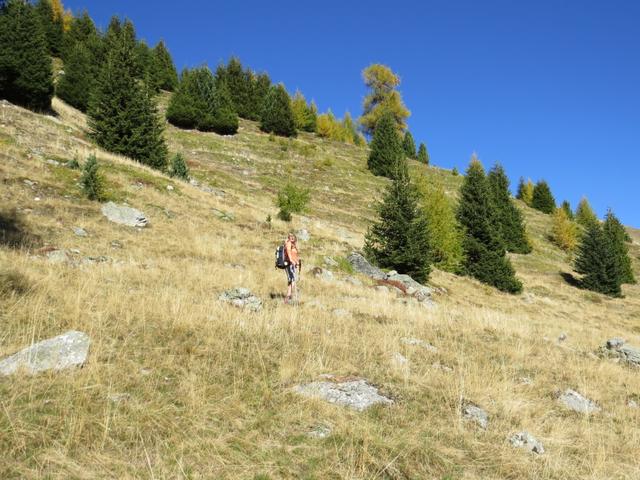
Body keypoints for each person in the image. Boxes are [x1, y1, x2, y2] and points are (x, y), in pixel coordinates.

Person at [284, 233, 301, 303]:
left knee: (292, 280)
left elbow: (295, 255)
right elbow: (288, 251)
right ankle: (288, 296)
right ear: (288, 237)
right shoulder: (288, 243)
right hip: (289, 264)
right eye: (290, 236)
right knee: (292, 279)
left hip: (293, 265)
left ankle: (289, 296)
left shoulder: (294, 245)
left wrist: (297, 262)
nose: (292, 237)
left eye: (293, 236)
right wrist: (291, 260)